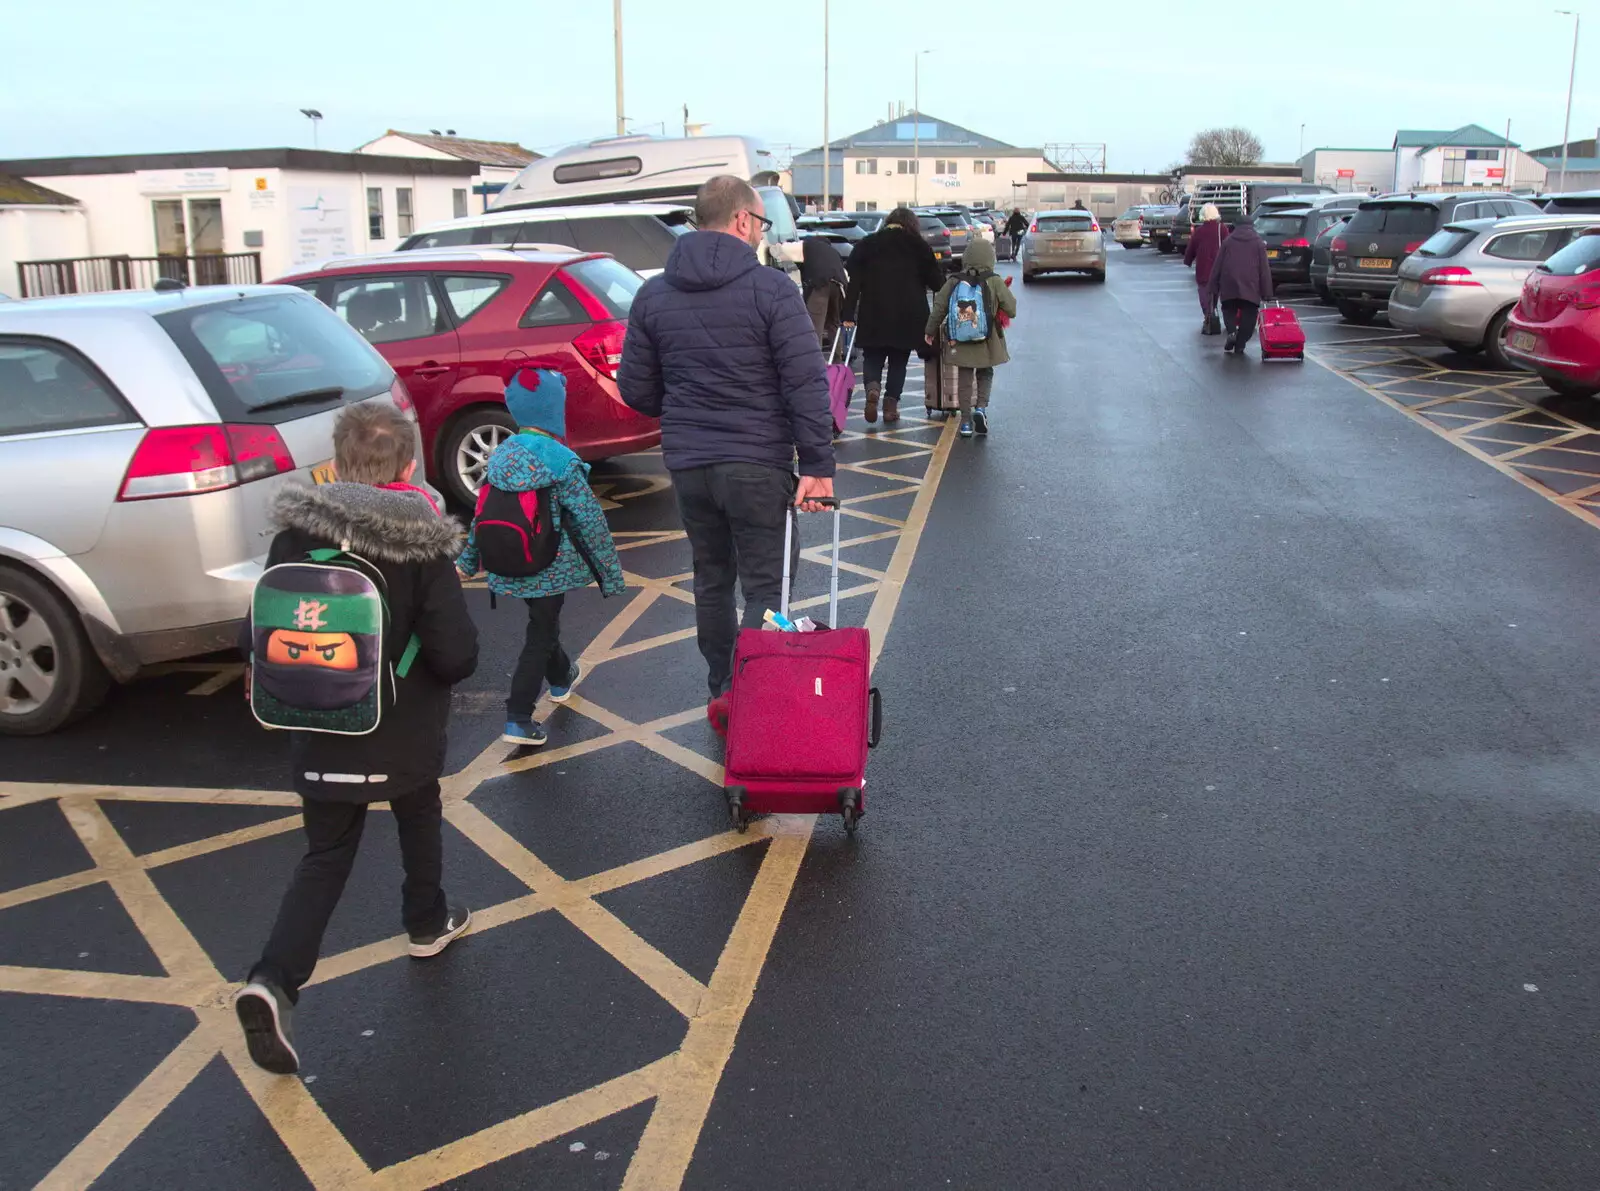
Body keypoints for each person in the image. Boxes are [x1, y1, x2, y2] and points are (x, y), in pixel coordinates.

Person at [234, 402, 479, 1075]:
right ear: (406, 464)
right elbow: (457, 656)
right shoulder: (420, 539)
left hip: (318, 731)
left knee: (325, 857)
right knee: (418, 808)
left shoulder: (293, 536)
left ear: (337, 463)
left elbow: (252, 632)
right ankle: (427, 921)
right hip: (401, 733)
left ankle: (273, 979)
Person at [618, 175, 834, 731]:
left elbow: (638, 391)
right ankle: (751, 690)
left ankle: (722, 689)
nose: (761, 232)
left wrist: (690, 401)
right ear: (742, 221)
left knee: (712, 578)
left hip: (690, 465)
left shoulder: (653, 295)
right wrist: (817, 467)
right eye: (761, 222)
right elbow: (805, 383)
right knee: (766, 582)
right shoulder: (771, 290)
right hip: (758, 463)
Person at [456, 366, 627, 747]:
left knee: (542, 623)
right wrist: (610, 576)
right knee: (541, 632)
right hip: (549, 564)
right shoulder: (561, 461)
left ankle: (562, 677)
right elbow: (590, 521)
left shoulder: (500, 455)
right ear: (554, 410)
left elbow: (480, 514)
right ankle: (518, 715)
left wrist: (467, 562)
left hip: (509, 560)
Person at [841, 206, 944, 424]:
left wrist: (848, 313)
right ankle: (890, 406)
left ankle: (872, 389)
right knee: (899, 361)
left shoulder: (867, 244)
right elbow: (937, 283)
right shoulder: (918, 246)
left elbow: (854, 282)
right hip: (908, 316)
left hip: (873, 311)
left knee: (872, 357)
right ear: (911, 224)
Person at [924, 236, 1017, 439]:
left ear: (966, 258)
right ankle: (981, 409)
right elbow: (1011, 310)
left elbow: (939, 307)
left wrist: (930, 330)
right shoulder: (994, 280)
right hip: (987, 339)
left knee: (965, 378)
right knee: (985, 373)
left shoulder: (954, 281)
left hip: (960, 339)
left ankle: (965, 422)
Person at [1207, 212, 1275, 355]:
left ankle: (1232, 332)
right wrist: (1267, 292)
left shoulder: (1228, 241)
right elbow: (1264, 269)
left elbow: (1217, 264)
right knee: (1249, 316)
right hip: (1251, 285)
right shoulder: (1258, 242)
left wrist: (1212, 285)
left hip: (1229, 282)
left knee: (1228, 309)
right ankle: (1240, 343)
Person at [1183, 203, 1230, 335]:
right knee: (1217, 292)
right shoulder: (1223, 229)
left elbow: (1191, 249)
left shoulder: (1199, 231)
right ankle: (1213, 312)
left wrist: (1188, 261)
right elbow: (1228, 247)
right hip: (1219, 268)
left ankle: (1208, 315)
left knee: (1204, 292)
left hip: (1204, 268)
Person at [801, 235, 848, 352]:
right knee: (834, 324)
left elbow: (781, 250)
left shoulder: (808, 245)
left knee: (816, 326)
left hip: (820, 285)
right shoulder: (834, 252)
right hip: (839, 286)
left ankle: (815, 361)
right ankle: (837, 360)